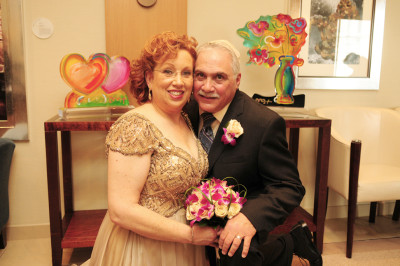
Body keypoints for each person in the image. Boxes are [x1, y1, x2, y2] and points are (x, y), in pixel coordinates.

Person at [84, 31, 218, 266]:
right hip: (143, 248)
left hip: (184, 247)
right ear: (148, 78)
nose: (178, 81)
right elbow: (121, 210)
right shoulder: (135, 125)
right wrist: (191, 235)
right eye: (168, 71)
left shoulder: (185, 119)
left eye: (186, 73)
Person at [184, 40, 322, 266]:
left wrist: (248, 218)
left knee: (235, 250)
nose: (207, 87)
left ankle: (293, 254)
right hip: (196, 215)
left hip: (239, 216)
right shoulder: (184, 110)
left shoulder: (263, 123)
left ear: (237, 81)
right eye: (200, 75)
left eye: (219, 77)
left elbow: (290, 187)